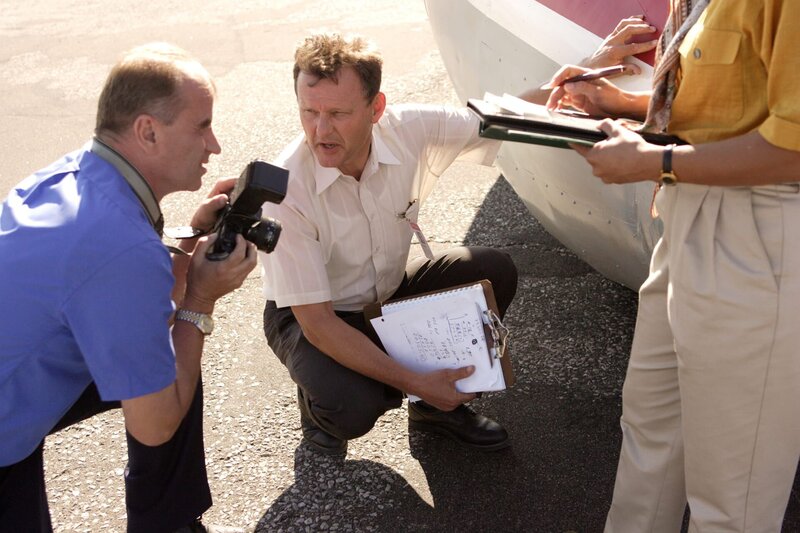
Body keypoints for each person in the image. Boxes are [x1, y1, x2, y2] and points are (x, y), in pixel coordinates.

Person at [258, 29, 656, 457]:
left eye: (337, 113)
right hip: (313, 316)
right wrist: (414, 381)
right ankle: (321, 406)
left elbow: (496, 117)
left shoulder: (408, 129)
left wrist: (580, 75)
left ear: (376, 108)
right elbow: (317, 324)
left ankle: (436, 410)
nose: (320, 130)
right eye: (309, 112)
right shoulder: (286, 189)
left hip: (383, 295)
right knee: (353, 405)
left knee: (491, 269)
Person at [546, 1, 800, 531]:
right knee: (650, 431)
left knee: (734, 494)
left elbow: (792, 145)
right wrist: (620, 103)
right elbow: (723, 108)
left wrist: (653, 161)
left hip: (760, 228)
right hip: (690, 212)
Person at [0, 43, 256, 533]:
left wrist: (191, 239)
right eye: (202, 126)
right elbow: (155, 426)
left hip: (13, 393)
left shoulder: (74, 175)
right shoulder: (118, 247)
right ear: (147, 131)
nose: (215, 145)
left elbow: (110, 283)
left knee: (171, 355)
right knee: (177, 354)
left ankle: (169, 522)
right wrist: (200, 301)